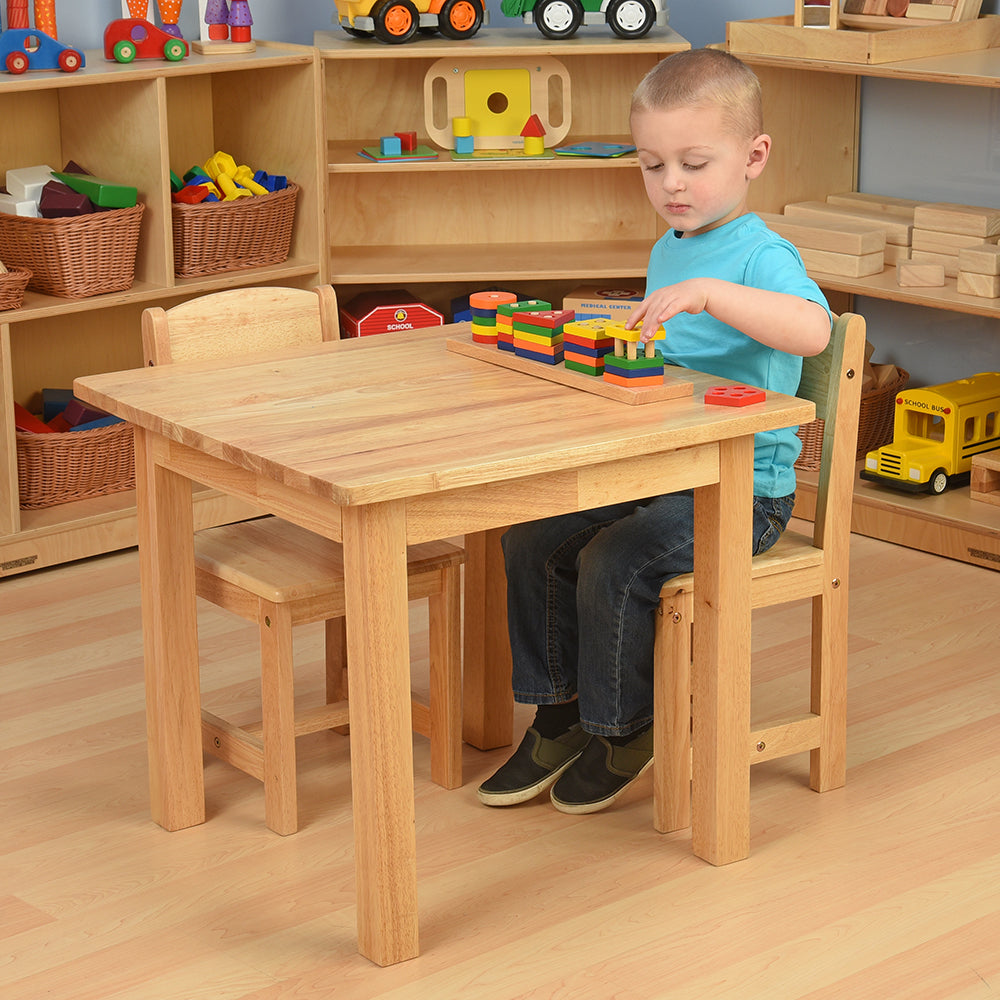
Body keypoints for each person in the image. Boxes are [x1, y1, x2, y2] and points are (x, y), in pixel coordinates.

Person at [477, 48, 833, 815]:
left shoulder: (761, 254)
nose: (672, 183)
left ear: (753, 157)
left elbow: (812, 331)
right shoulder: (667, 247)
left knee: (617, 560)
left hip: (742, 493)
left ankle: (624, 728)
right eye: (652, 164)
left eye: (694, 162)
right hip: (659, 469)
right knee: (531, 540)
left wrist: (712, 292)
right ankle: (560, 712)